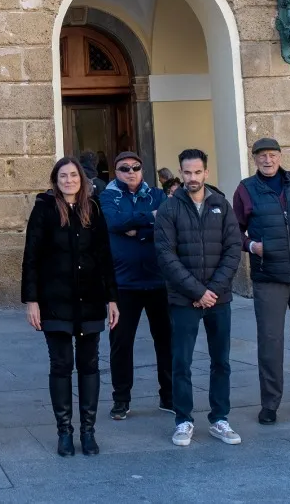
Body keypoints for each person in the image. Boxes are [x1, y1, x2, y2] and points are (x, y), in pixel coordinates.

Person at [23, 157, 119, 456]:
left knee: (90, 365)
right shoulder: (44, 210)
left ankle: (88, 432)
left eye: (73, 175)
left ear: (82, 179)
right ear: (56, 180)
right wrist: (32, 301)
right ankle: (64, 432)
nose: (69, 180)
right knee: (61, 365)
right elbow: (32, 257)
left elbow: (105, 256)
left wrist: (112, 298)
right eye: (63, 176)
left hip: (90, 301)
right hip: (55, 302)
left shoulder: (95, 208)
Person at [232, 137, 290, 424]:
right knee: (271, 342)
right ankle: (270, 404)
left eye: (273, 155)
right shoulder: (246, 189)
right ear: (255, 159)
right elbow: (234, 231)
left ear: (280, 156)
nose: (268, 160)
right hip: (269, 276)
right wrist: (251, 246)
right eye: (262, 156)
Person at [154, 148, 243, 448]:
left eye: (197, 172)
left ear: (206, 172)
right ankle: (183, 420)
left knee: (221, 361)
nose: (192, 178)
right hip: (184, 300)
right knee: (181, 362)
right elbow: (166, 256)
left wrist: (212, 291)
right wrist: (196, 292)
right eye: (187, 173)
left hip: (219, 298)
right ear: (180, 173)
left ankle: (220, 418)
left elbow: (233, 248)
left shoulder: (221, 204)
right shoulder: (169, 209)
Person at [99, 150, 173, 420]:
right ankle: (121, 399)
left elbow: (166, 223)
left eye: (135, 167)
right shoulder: (108, 196)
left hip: (158, 281)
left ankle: (169, 395)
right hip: (123, 284)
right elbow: (111, 222)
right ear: (115, 172)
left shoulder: (157, 195)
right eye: (124, 168)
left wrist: (133, 228)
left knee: (166, 341)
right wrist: (147, 218)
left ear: (143, 170)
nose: (130, 172)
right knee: (121, 343)